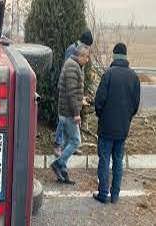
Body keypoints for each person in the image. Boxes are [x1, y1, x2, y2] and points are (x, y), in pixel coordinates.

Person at [93, 43, 140, 204]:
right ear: (125, 56)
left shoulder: (108, 74)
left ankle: (103, 194)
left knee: (105, 159)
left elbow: (99, 101)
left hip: (106, 127)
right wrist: (126, 118)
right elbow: (135, 105)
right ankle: (115, 195)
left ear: (114, 55)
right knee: (118, 161)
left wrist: (101, 115)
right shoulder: (134, 77)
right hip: (122, 128)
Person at [51, 44, 90, 184]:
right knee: (75, 141)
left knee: (67, 142)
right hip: (69, 112)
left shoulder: (72, 65)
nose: (87, 60)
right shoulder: (73, 67)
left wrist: (81, 99)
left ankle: (62, 173)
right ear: (80, 56)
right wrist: (76, 113)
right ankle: (59, 163)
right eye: (86, 57)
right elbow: (72, 93)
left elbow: (71, 90)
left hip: (65, 110)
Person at [54, 29, 93, 156]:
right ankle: (58, 145)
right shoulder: (73, 49)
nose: (88, 50)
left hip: (72, 88)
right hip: (67, 88)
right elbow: (69, 72)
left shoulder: (79, 50)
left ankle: (71, 145)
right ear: (83, 43)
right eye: (87, 46)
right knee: (64, 119)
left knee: (68, 119)